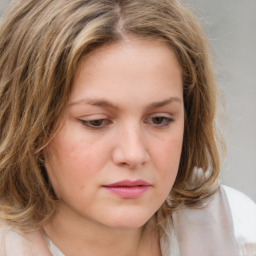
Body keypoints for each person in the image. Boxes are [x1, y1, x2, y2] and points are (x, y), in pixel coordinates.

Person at [0, 0, 255, 255]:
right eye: (96, 122)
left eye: (159, 119)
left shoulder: (240, 231)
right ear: (26, 125)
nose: (133, 154)